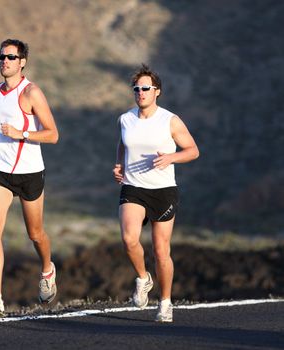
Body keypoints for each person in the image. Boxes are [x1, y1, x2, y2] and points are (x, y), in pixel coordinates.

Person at [0, 39, 59, 318]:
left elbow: (52, 134)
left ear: (22, 62)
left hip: (30, 173)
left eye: (11, 57)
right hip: (0, 172)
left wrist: (20, 134)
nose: (5, 61)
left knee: (35, 234)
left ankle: (47, 269)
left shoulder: (32, 93)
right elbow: (1, 130)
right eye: (2, 56)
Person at [113, 64, 199, 322]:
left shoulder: (169, 120)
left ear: (156, 92)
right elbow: (122, 143)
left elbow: (193, 150)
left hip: (163, 191)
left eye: (146, 88)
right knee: (129, 239)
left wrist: (171, 157)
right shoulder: (125, 119)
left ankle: (165, 302)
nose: (140, 92)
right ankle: (143, 277)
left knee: (161, 251)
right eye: (137, 88)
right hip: (134, 187)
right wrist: (119, 165)